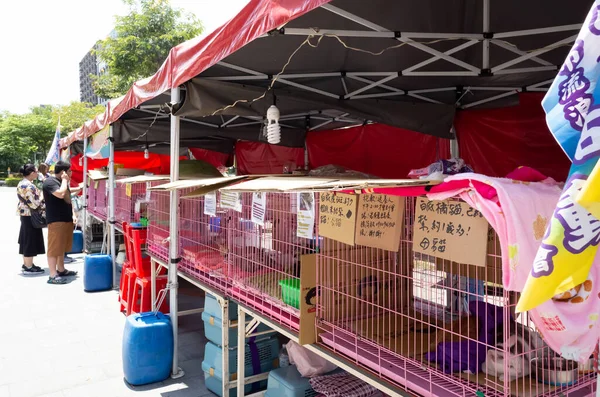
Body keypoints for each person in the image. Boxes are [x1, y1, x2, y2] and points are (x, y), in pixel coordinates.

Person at [42, 161, 78, 284]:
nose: (71, 173)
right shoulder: (50, 182)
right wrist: (64, 181)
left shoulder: (63, 183)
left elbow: (68, 199)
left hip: (66, 219)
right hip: (56, 220)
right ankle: (52, 275)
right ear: (63, 172)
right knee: (54, 248)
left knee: (62, 247)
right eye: (69, 170)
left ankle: (61, 269)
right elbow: (61, 194)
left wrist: (73, 214)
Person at [16, 164, 45, 275]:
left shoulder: (22, 183)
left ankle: (27, 264)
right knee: (29, 239)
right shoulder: (29, 186)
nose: (37, 173)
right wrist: (42, 196)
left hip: (25, 214)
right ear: (32, 173)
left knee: (25, 238)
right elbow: (34, 204)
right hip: (30, 214)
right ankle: (28, 266)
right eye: (36, 171)